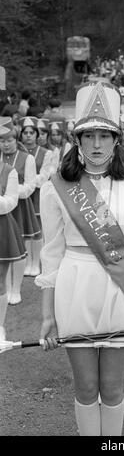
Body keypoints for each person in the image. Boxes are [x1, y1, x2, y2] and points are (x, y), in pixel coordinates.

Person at [35, 80, 124, 436]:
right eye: (87, 136)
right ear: (76, 140)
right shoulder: (56, 186)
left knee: (113, 387)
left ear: (117, 139)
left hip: (119, 290)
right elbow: (52, 255)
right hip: (75, 288)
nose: (95, 144)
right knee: (86, 387)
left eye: (104, 136)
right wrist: (47, 316)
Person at [0, 117, 40, 300]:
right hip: (5, 205)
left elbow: (31, 186)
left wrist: (13, 191)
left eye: (9, 140)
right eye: (2, 140)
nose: (6, 144)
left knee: (17, 247)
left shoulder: (27, 158)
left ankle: (16, 288)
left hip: (20, 206)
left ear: (16, 140)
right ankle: (6, 288)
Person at [0, 117, 26, 337]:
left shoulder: (9, 171)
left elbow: (11, 201)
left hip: (2, 227)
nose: (4, 144)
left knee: (0, 279)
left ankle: (0, 326)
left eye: (7, 140)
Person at [20, 116, 52, 276]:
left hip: (37, 194)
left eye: (31, 132)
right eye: (25, 132)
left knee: (37, 229)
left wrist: (30, 182)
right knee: (25, 228)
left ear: (37, 134)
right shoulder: (17, 153)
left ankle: (36, 263)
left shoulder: (46, 153)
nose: (28, 135)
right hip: (21, 195)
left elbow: (46, 174)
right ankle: (27, 263)